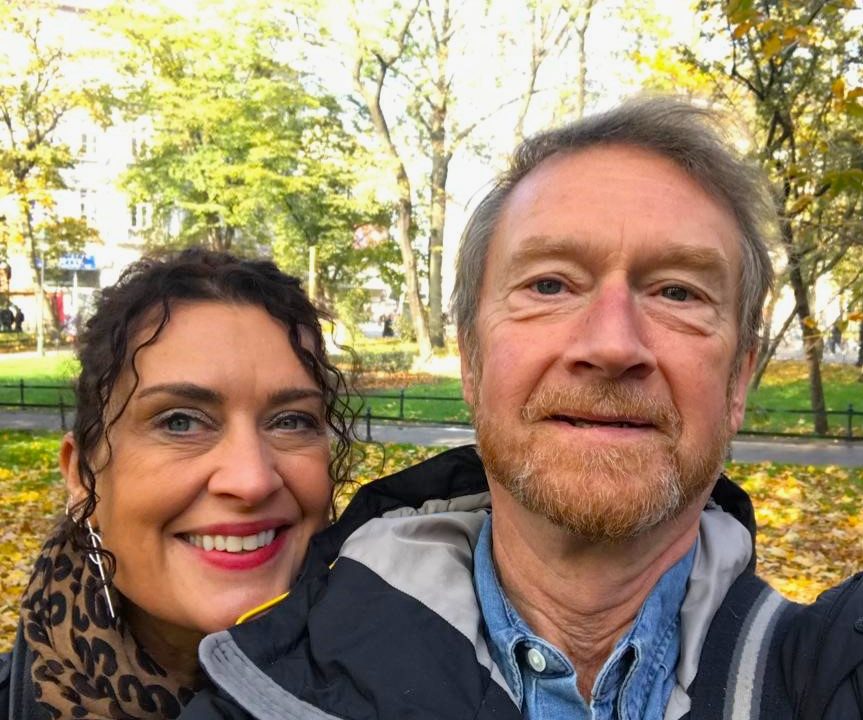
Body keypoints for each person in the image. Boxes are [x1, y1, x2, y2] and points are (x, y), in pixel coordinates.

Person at [179, 98, 863, 720]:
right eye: (549, 285)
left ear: (738, 379)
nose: (612, 344)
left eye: (677, 293)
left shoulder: (830, 672)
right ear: (471, 362)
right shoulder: (263, 691)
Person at [0, 248, 353, 719]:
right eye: (180, 422)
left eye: (290, 421)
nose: (251, 480)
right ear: (83, 476)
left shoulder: (413, 676)